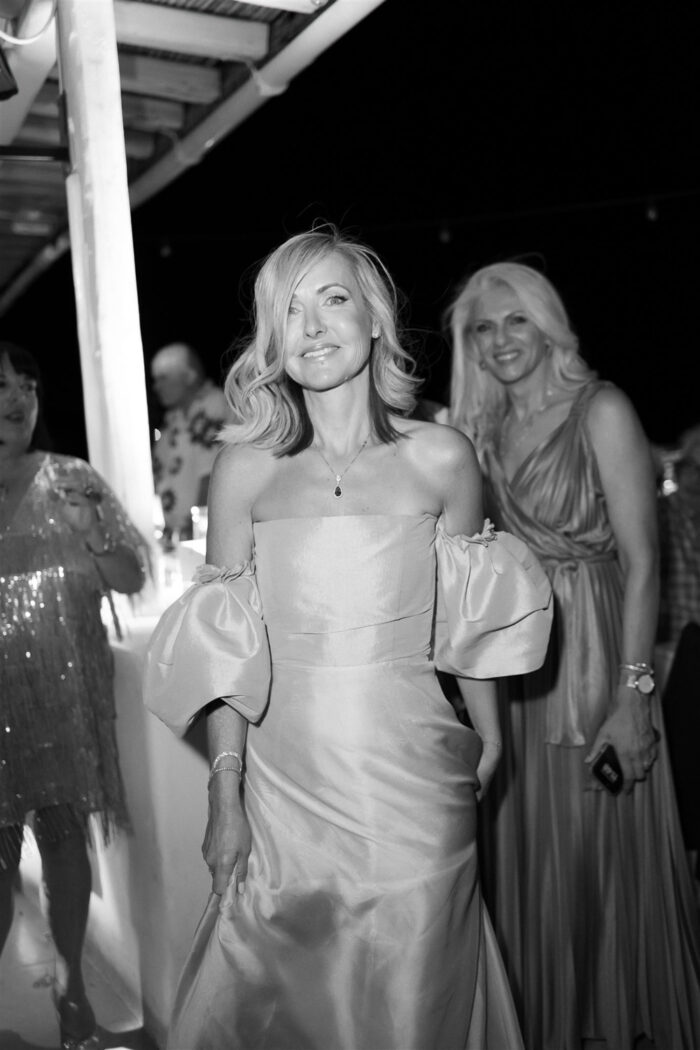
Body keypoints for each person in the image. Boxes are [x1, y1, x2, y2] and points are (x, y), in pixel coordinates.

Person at [143, 228, 553, 1050]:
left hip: (417, 788)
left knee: (415, 998)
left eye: (333, 299)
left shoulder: (442, 458)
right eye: (289, 310)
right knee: (281, 998)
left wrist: (491, 741)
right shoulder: (245, 469)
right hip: (282, 792)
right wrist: (225, 792)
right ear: (273, 338)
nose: (313, 326)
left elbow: (470, 620)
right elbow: (228, 650)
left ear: (374, 319)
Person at [447, 262, 700, 1050]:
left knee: (595, 845)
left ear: (548, 324)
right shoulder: (477, 432)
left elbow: (644, 562)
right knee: (523, 849)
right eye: (483, 328)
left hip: (593, 651)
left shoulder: (602, 409)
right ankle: (542, 1020)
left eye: (516, 320)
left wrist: (633, 695)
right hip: (513, 663)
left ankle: (611, 1020)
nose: (501, 340)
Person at [0, 341, 145, 1049]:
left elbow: (130, 575)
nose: (16, 397)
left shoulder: (71, 478)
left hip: (61, 702)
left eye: (26, 384)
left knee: (63, 845)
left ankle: (73, 993)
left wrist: (91, 536)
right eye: (1, 384)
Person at [151, 341, 230, 541]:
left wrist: (197, 527)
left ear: (188, 376)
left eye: (163, 378)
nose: (156, 386)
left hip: (201, 536)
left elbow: (212, 473)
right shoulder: (172, 419)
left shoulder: (213, 406)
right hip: (176, 536)